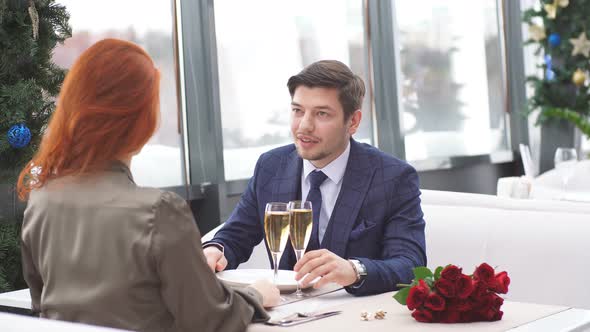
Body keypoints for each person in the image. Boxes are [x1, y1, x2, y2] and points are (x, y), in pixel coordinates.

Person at [17, 38, 279, 332]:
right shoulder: (159, 212)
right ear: (143, 119)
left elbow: (43, 307)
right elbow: (210, 318)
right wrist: (256, 295)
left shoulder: (41, 199)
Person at [203, 60, 426, 296]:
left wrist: (354, 269)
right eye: (298, 111)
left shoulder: (393, 177)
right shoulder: (270, 166)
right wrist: (215, 251)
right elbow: (235, 236)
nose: (305, 126)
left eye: (321, 114)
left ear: (353, 122)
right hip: (285, 313)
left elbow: (410, 265)